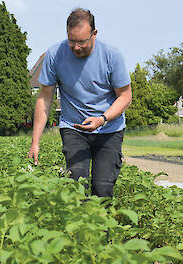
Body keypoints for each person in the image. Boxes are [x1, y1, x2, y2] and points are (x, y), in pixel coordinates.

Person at [27, 8, 132, 197]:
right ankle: (79, 225)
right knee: (77, 184)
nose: (76, 47)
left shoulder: (111, 56)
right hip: (73, 127)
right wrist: (35, 142)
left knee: (103, 188)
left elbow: (125, 96)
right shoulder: (54, 55)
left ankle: (102, 226)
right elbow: (44, 98)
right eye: (71, 41)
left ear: (94, 34)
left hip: (109, 129)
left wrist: (102, 118)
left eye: (81, 42)